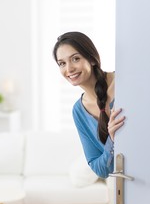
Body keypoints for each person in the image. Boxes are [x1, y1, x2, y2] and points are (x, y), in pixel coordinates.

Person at [52, 32, 125, 178]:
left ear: (92, 59)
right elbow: (100, 170)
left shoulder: (123, 82)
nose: (69, 69)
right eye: (62, 63)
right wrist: (112, 139)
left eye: (75, 59)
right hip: (125, 185)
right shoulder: (79, 111)